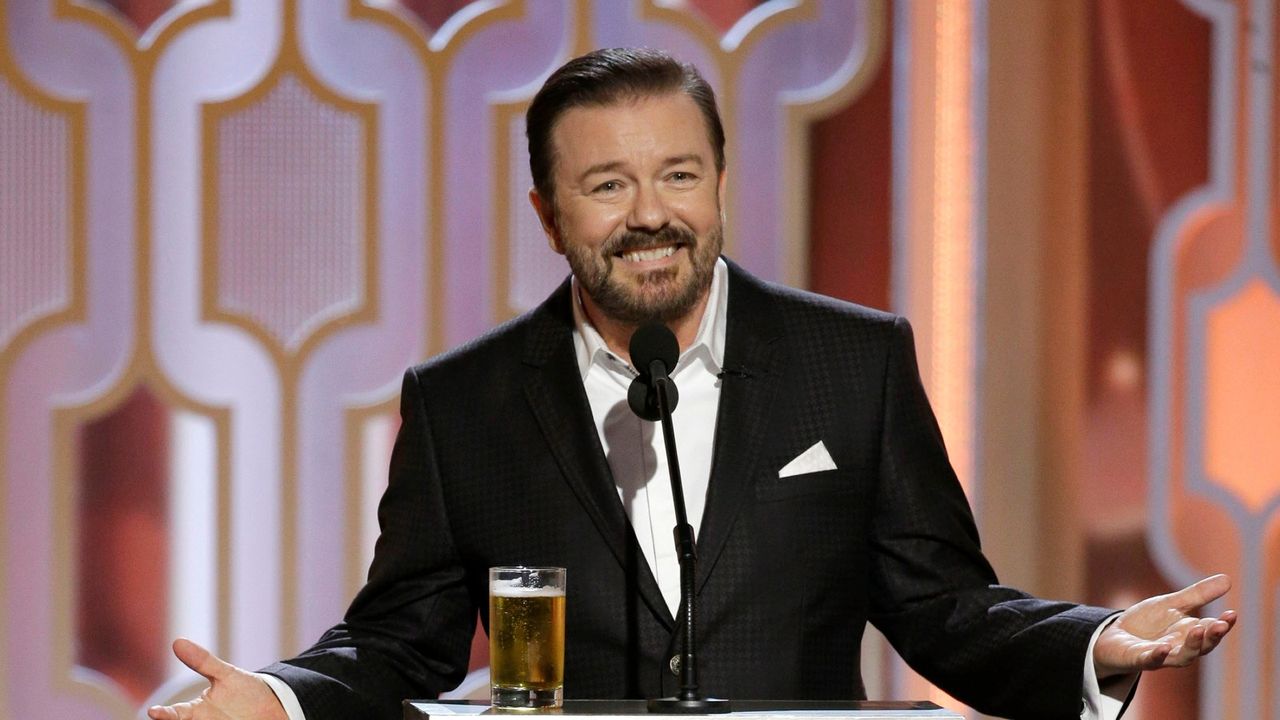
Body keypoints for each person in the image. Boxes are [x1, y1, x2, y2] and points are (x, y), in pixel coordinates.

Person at [148, 48, 1235, 720]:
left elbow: (941, 605)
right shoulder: (462, 402)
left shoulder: (851, 364)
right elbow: (399, 640)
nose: (650, 213)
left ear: (719, 181)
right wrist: (285, 703)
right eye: (607, 185)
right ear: (548, 214)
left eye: (677, 174)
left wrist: (1089, 641)